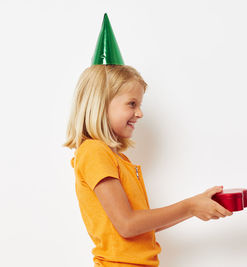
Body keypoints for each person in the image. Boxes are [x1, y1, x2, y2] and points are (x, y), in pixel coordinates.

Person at [64, 14, 232, 267]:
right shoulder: (95, 152)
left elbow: (138, 226)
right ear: (101, 103)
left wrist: (196, 207)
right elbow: (127, 224)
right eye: (132, 104)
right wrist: (188, 207)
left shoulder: (115, 158)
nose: (140, 113)